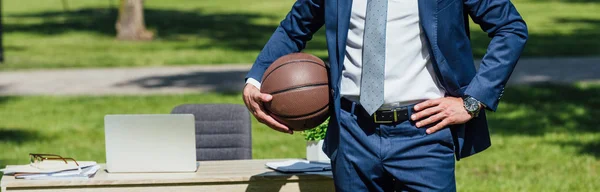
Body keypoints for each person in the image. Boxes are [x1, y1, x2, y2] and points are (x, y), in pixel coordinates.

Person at [243, 0, 527, 191]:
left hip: (424, 132)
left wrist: (473, 100)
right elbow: (294, 27)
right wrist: (256, 79)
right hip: (352, 134)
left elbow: (510, 28)